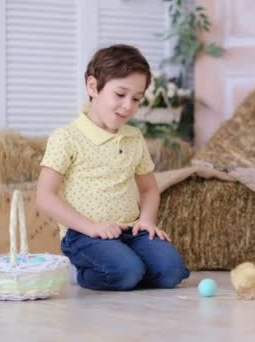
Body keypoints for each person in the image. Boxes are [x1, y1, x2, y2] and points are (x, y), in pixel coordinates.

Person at [36, 44, 190, 291]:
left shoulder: (134, 137)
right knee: (126, 271)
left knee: (172, 272)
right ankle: (90, 271)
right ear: (93, 87)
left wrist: (147, 221)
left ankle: (128, 269)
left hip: (129, 230)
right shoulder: (66, 137)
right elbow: (45, 197)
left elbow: (149, 189)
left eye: (137, 99)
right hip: (84, 234)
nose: (128, 106)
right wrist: (92, 227)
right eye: (120, 94)